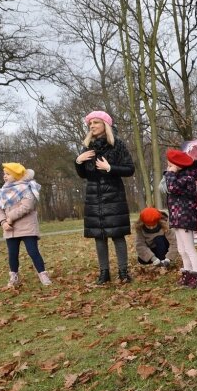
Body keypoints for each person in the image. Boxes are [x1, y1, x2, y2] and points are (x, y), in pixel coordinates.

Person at [75, 110, 135, 284]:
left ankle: (123, 272)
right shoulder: (88, 147)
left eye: (96, 123)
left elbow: (130, 169)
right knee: (99, 237)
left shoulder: (117, 145)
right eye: (90, 124)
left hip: (114, 196)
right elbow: (84, 175)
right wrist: (78, 162)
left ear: (105, 125)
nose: (92, 126)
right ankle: (104, 273)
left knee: (117, 235)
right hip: (94, 197)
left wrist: (110, 168)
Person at [0, 163, 52, 287]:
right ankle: (14, 276)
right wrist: (3, 222)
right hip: (10, 229)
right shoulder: (3, 191)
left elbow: (27, 206)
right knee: (12, 254)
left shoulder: (26, 188)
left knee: (33, 251)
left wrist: (10, 218)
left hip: (27, 227)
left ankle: (43, 274)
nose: (4, 176)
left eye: (8, 174)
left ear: (16, 175)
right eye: (4, 173)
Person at [164, 148, 197, 288]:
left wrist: (170, 173)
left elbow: (172, 187)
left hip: (185, 217)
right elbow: (166, 187)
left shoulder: (186, 178)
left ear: (177, 166)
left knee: (189, 248)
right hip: (177, 217)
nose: (168, 169)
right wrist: (171, 173)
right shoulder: (178, 177)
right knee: (181, 248)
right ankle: (187, 273)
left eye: (170, 165)